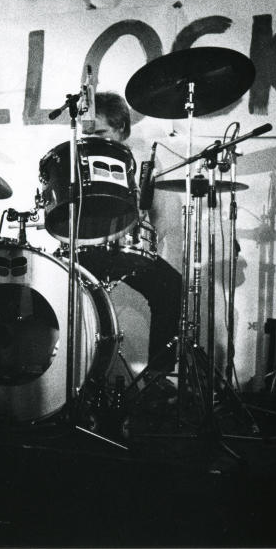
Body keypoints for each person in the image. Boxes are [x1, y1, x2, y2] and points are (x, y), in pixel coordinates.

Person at [82, 91, 181, 401]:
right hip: (84, 245)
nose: (93, 138)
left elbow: (162, 216)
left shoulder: (143, 162)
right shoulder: (77, 155)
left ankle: (157, 378)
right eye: (89, 132)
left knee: (171, 285)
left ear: (121, 128)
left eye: (101, 132)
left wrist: (145, 246)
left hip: (125, 247)